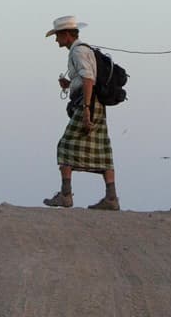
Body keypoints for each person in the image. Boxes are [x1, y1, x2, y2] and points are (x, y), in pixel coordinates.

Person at [43, 15, 117, 211]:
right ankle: (111, 197)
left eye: (57, 36)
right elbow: (85, 78)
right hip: (94, 103)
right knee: (102, 149)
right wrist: (69, 84)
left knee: (65, 145)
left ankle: (66, 195)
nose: (56, 40)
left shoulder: (78, 52)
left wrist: (86, 110)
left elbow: (88, 79)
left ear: (66, 34)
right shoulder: (81, 50)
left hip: (89, 103)